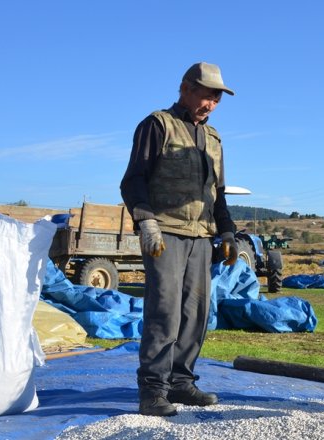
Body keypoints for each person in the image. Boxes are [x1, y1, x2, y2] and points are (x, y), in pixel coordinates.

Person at [120, 62, 239, 417]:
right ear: (185, 88)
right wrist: (147, 223)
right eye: (207, 94)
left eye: (217, 97)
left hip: (202, 238)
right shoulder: (157, 125)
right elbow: (133, 181)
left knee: (196, 314)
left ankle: (181, 383)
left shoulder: (214, 138)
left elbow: (218, 194)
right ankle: (153, 390)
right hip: (166, 234)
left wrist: (228, 231)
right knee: (165, 313)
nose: (212, 103)